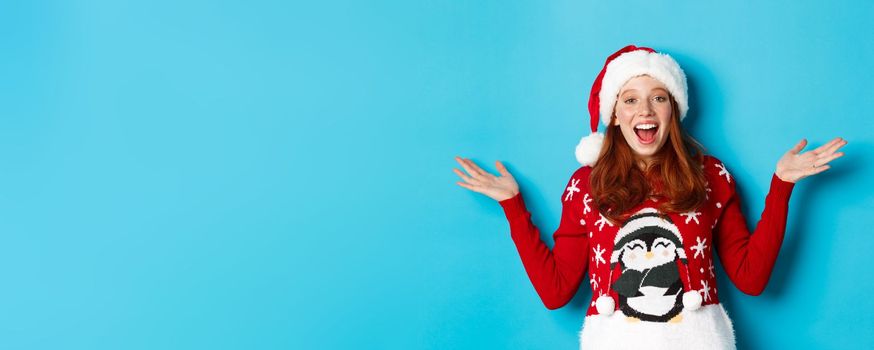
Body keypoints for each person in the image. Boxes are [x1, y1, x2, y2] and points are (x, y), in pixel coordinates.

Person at [452, 45, 847, 349]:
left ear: (673, 110)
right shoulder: (586, 185)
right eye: (630, 98)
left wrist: (782, 186)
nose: (645, 109)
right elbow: (556, 293)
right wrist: (513, 207)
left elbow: (752, 278)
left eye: (658, 97)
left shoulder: (711, 176)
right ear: (614, 114)